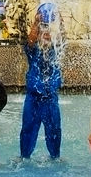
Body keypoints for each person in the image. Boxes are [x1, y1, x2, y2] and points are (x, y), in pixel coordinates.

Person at [20, 9, 63, 160]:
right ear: (38, 37)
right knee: (28, 128)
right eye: (43, 34)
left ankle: (55, 157)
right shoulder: (33, 52)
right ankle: (24, 156)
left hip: (50, 98)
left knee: (55, 129)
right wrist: (36, 22)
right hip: (33, 98)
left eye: (48, 34)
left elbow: (62, 38)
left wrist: (60, 20)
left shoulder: (56, 52)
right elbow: (30, 41)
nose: (46, 35)